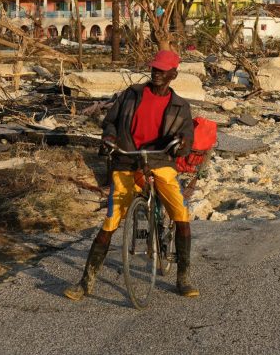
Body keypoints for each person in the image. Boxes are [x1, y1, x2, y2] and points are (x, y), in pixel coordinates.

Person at [63, 49, 198, 300]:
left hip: (160, 160)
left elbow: (188, 138)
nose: (156, 73)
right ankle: (85, 282)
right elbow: (110, 122)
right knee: (111, 221)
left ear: (173, 74)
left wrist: (180, 143)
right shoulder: (131, 95)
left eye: (162, 70)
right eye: (154, 68)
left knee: (180, 214)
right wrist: (109, 137)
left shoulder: (180, 106)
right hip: (126, 159)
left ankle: (183, 277)